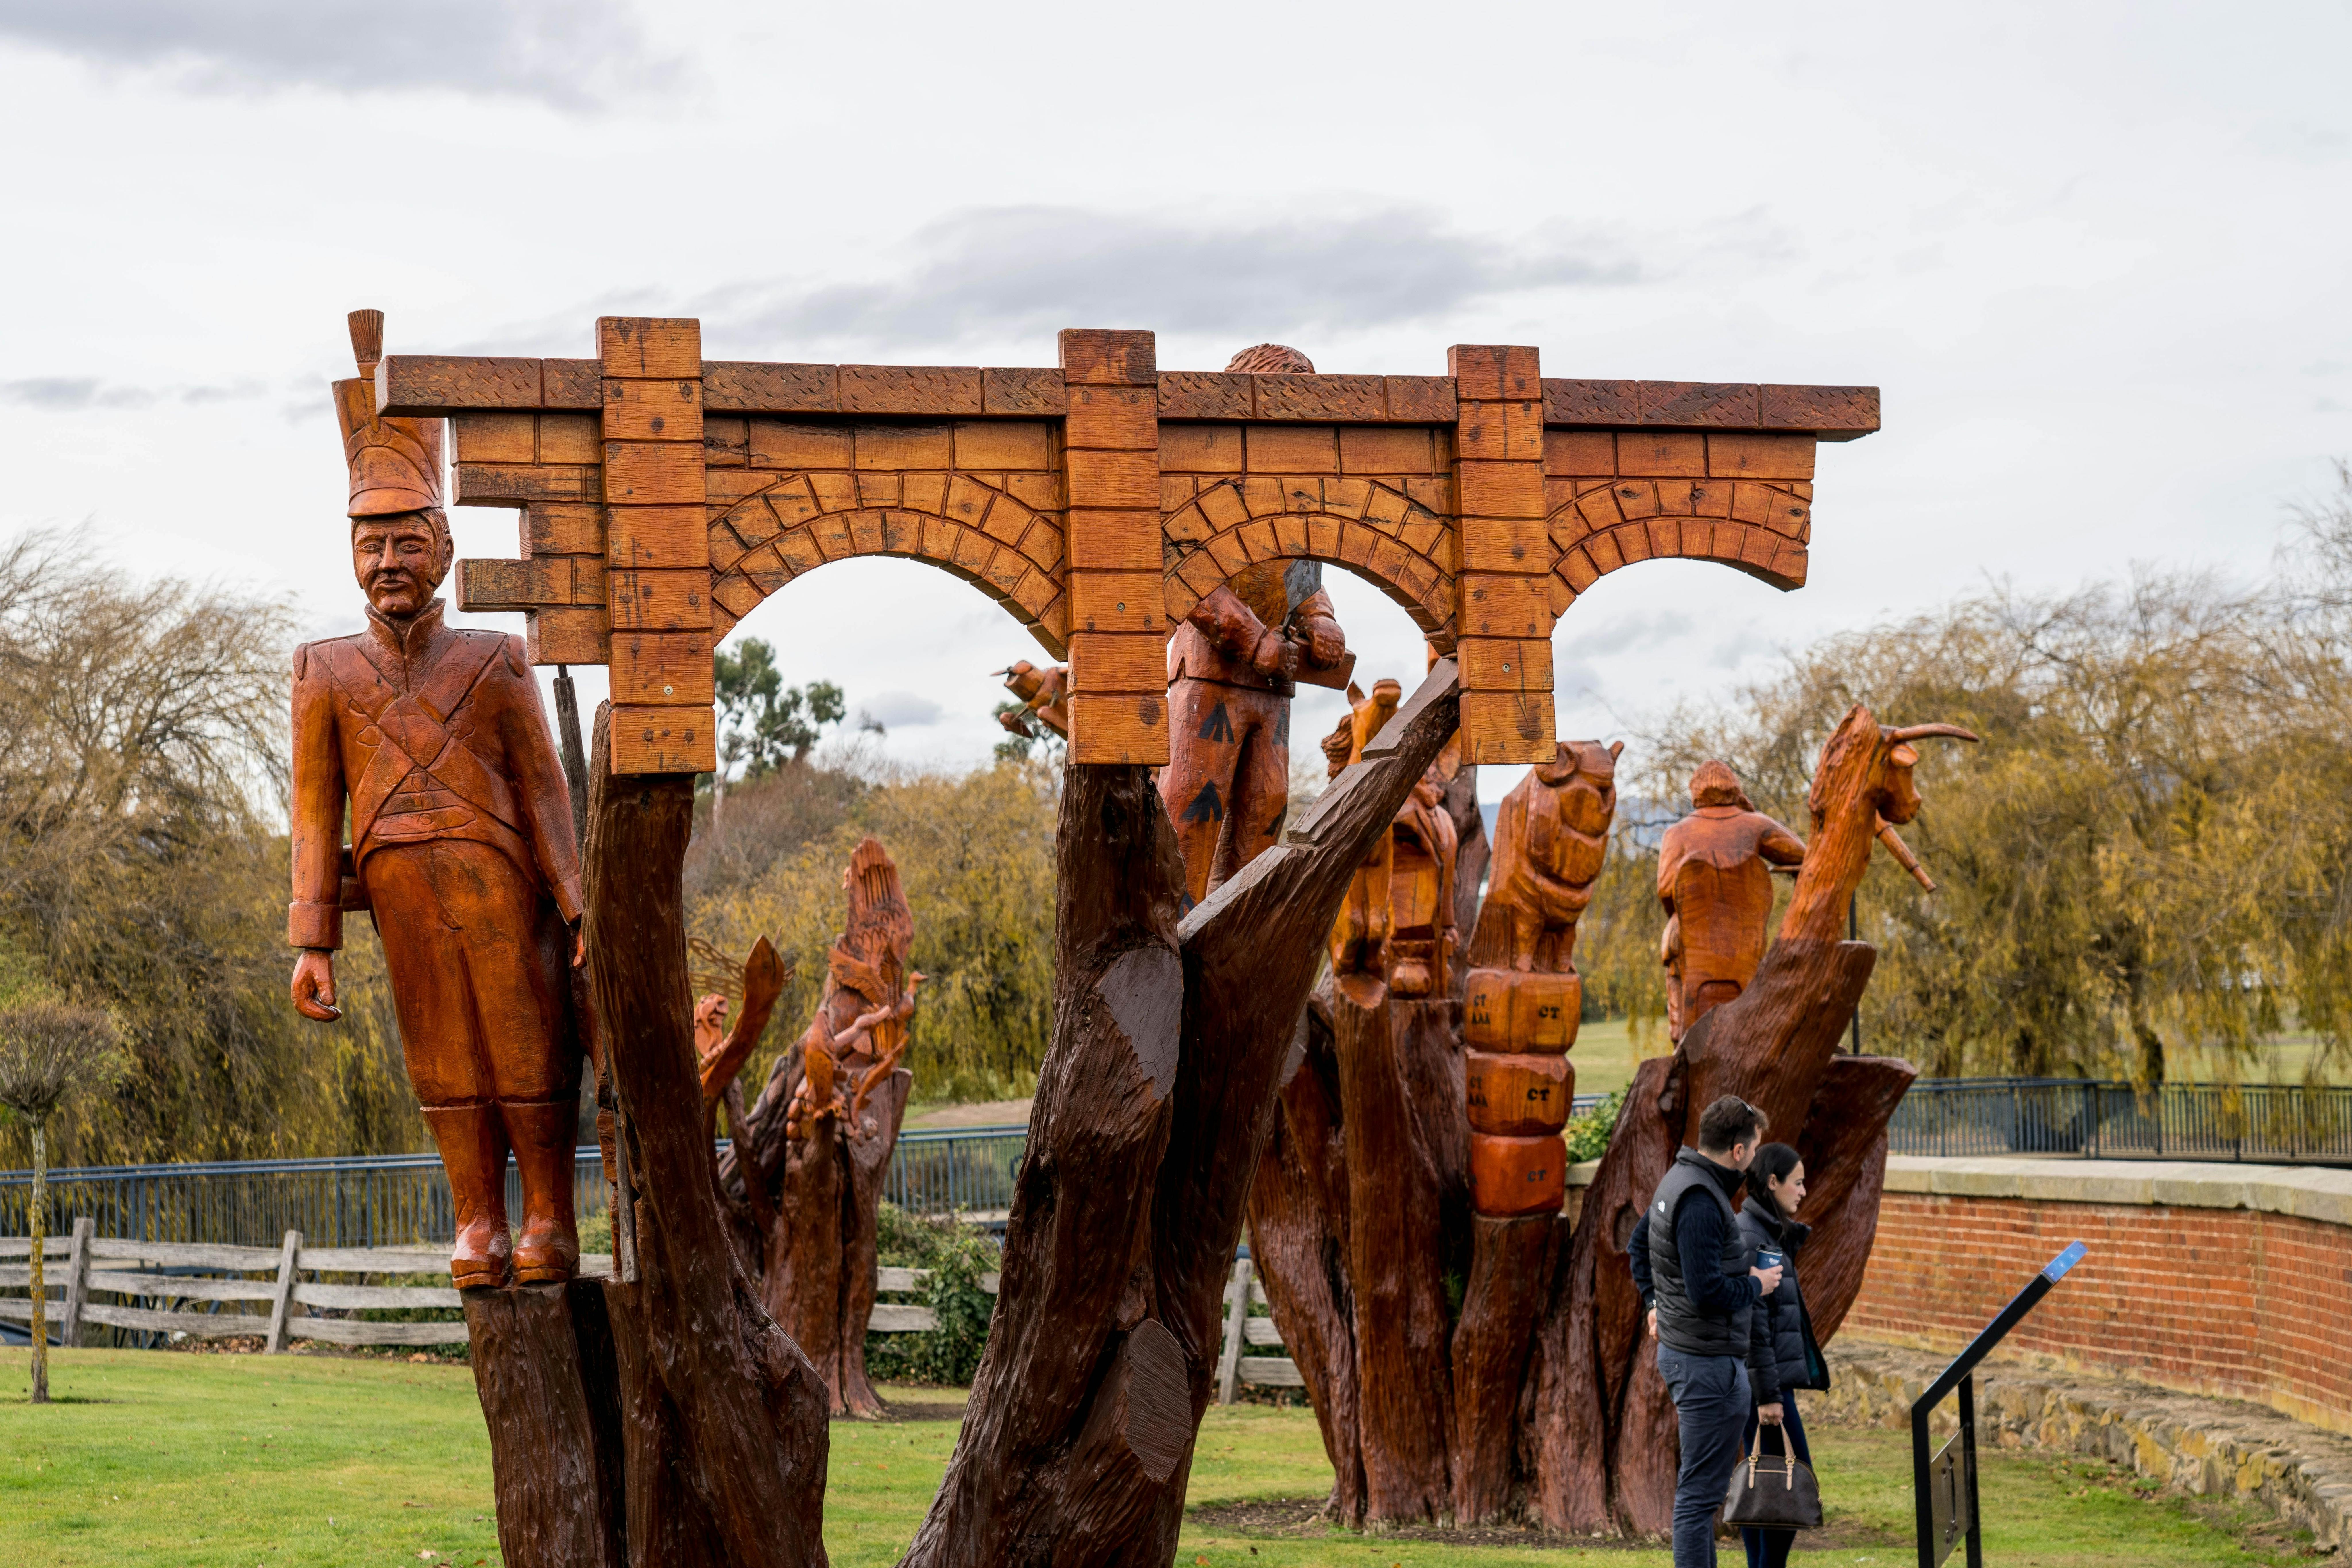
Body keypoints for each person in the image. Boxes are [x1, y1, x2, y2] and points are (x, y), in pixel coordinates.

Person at [288, 338, 587, 1290]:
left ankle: (548, 1215)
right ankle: (477, 1219)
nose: (388, 563)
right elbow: (313, 813)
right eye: (371, 546)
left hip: (504, 889)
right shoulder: (323, 671)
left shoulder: (497, 660)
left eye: (408, 543)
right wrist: (314, 940)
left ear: (446, 551)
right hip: (401, 894)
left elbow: (546, 788)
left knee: (526, 1042)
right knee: (442, 1054)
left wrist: (579, 905)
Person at [1628, 1095, 1783, 1568]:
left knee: (1701, 1497)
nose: (1753, 1159)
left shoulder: (1679, 1179)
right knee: (1697, 1501)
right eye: (1753, 1149)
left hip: (1695, 1357)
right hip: (1705, 1365)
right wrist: (1756, 1284)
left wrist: (1655, 1304)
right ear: (1738, 1150)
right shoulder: (1699, 1199)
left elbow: (1639, 1246)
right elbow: (1706, 1290)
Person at [1737, 1142, 1829, 1568]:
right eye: (1798, 1182)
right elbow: (1754, 1325)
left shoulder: (1767, 1232)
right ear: (1772, 1182)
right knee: (1792, 1483)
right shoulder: (1753, 1237)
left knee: (1765, 1484)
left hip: (1766, 1384)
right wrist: (1769, 1395)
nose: (1804, 1191)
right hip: (1765, 1388)